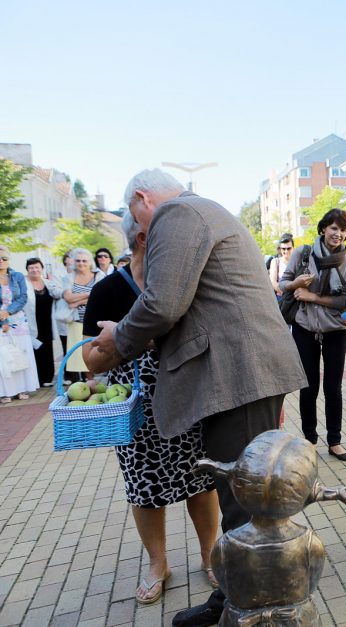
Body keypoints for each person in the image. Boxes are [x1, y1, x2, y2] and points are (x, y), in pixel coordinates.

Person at [90, 168, 307, 627]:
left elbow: (163, 304)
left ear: (142, 199)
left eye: (137, 223)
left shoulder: (176, 213)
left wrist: (116, 342)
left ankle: (253, 607)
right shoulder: (198, 211)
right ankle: (236, 597)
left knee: (247, 505)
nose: (142, 236)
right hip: (239, 374)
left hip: (238, 376)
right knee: (245, 498)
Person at [82, 210, 219, 605]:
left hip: (188, 397)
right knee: (144, 488)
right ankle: (158, 564)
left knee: (202, 480)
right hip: (135, 411)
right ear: (144, 239)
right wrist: (133, 340)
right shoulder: (107, 290)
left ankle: (210, 555)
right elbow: (91, 359)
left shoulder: (179, 284)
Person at [279, 212, 346, 461]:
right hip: (305, 328)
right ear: (323, 229)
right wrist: (296, 283)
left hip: (335, 330)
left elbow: (344, 300)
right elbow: (283, 284)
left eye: (343, 230)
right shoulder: (303, 254)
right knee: (308, 387)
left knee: (333, 388)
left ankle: (335, 441)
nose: (338, 234)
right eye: (334, 228)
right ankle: (309, 440)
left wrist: (312, 296)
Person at [0, 246, 39, 403]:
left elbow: (23, 297)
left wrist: (8, 313)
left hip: (18, 321)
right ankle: (6, 392)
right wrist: (3, 320)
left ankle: (22, 389)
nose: (1, 261)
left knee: (21, 353)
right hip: (1, 323)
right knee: (4, 356)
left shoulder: (17, 276)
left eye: (4, 258)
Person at [61, 248, 102, 381]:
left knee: (98, 353)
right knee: (79, 356)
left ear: (90, 262)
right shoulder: (69, 277)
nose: (81, 263)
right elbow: (68, 298)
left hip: (96, 322)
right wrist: (90, 294)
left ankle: (97, 381)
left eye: (84, 260)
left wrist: (77, 301)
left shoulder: (99, 275)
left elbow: (101, 297)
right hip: (76, 322)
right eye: (78, 260)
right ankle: (89, 383)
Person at [24, 258, 62, 387]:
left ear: (41, 268)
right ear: (27, 270)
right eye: (31, 268)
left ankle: (47, 378)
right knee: (34, 351)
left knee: (47, 349)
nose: (34, 270)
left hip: (47, 322)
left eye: (37, 267)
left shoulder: (48, 283)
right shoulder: (24, 283)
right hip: (31, 322)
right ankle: (37, 380)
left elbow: (58, 294)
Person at [269, 233, 294, 298]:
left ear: (293, 248)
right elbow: (273, 282)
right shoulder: (276, 261)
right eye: (283, 249)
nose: (286, 251)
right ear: (280, 249)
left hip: (296, 300)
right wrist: (285, 295)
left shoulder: (298, 262)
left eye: (289, 248)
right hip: (281, 299)